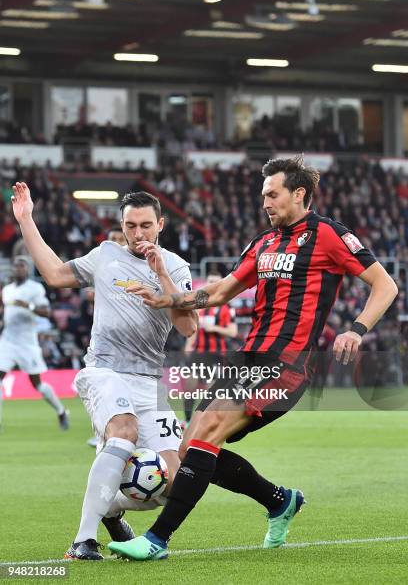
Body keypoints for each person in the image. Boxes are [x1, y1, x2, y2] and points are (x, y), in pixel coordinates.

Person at [108, 155, 398, 561]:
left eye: (272, 194)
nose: (265, 202)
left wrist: (356, 328)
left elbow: (385, 285)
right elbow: (223, 290)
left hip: (286, 364)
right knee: (191, 446)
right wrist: (169, 298)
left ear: (299, 194)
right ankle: (280, 501)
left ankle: (156, 539)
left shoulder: (329, 236)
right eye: (263, 195)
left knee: (207, 428)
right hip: (245, 359)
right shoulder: (262, 243)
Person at [11, 184, 197, 560]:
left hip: (149, 380)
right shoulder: (105, 255)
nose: (138, 233)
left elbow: (188, 327)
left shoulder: (177, 267)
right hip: (104, 370)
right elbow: (55, 274)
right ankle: (83, 540)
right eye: (131, 225)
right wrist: (26, 220)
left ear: (160, 224)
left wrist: (161, 275)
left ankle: (110, 506)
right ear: (122, 225)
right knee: (124, 432)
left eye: (146, 225)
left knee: (180, 481)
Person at [0, 257, 69, 430]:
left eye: (21, 266)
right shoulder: (7, 290)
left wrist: (29, 306)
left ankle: (61, 411)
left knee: (37, 384)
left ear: (28, 269)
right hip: (7, 340)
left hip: (27, 342)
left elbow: (46, 312)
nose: (18, 269)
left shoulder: (35, 288)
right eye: (15, 265)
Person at [86, 225, 127, 449]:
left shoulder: (136, 268)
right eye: (111, 238)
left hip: (132, 344)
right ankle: (103, 432)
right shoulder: (100, 264)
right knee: (103, 392)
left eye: (119, 238)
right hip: (105, 341)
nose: (115, 242)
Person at [183, 272, 238, 423]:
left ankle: (204, 421)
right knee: (190, 385)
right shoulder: (200, 305)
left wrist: (214, 328)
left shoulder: (227, 307)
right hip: (199, 351)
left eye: (215, 281)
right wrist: (189, 344)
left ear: (220, 283)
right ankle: (188, 420)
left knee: (210, 387)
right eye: (210, 281)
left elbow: (233, 331)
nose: (212, 283)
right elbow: (194, 327)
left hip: (217, 353)